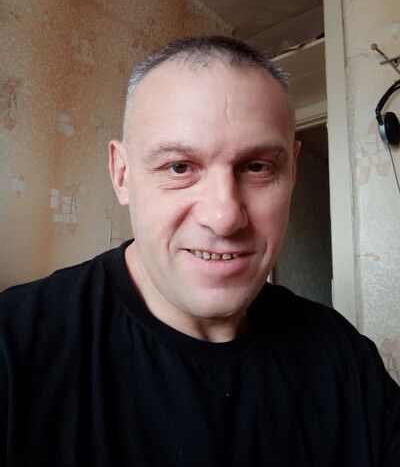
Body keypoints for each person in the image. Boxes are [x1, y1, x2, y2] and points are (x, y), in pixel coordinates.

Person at [0, 35, 399, 466]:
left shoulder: (342, 355)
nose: (224, 217)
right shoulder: (14, 349)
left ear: (292, 171)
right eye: (179, 167)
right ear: (122, 175)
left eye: (257, 167)